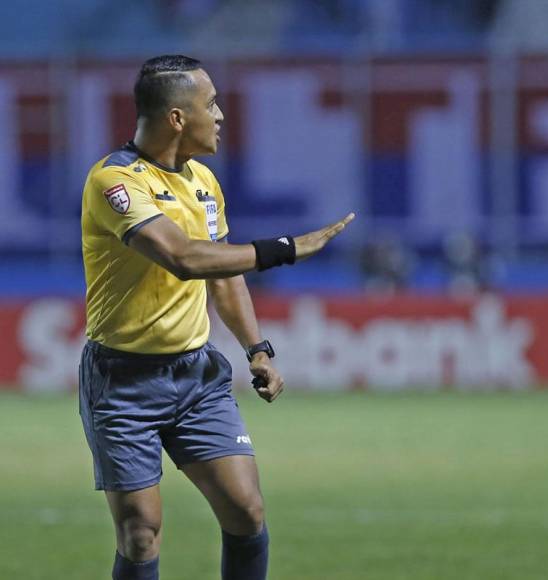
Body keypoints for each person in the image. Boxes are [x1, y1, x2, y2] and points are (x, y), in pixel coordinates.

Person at [79, 54, 354, 580]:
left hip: (196, 376)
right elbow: (184, 258)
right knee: (141, 534)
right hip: (123, 380)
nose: (222, 115)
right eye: (212, 104)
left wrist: (257, 349)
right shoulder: (115, 182)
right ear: (178, 117)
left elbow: (223, 276)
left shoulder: (203, 180)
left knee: (246, 510)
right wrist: (286, 248)